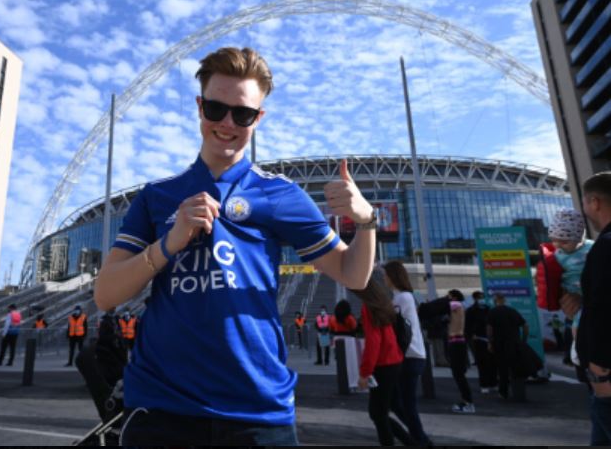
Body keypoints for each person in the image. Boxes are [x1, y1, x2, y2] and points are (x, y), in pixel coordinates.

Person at [94, 46, 377, 446]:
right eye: (216, 109)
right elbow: (106, 295)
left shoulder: (279, 193)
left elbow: (352, 273)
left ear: (258, 118)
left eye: (242, 114)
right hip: (161, 409)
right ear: (199, 107)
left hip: (257, 411)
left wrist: (366, 222)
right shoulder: (157, 196)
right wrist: (169, 244)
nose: (227, 123)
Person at [564, 172, 611, 445]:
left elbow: (604, 309)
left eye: (583, 201)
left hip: (605, 377)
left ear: (594, 202)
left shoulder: (604, 246)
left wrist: (600, 371)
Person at [352, 271, 410, 446]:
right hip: (394, 361)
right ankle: (412, 440)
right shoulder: (384, 304)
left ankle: (408, 441)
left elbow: (373, 342)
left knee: (377, 413)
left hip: (383, 365)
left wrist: (364, 373)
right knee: (382, 411)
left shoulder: (369, 307)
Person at [383, 260, 432, 445]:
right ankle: (418, 437)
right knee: (397, 402)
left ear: (392, 276)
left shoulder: (403, 298)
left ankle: (420, 440)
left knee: (407, 404)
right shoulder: (400, 297)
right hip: (410, 356)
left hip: (410, 356)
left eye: (385, 275)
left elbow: (400, 329)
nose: (384, 279)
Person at [549, 209, 593, 365]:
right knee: (576, 322)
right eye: (555, 240)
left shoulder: (592, 248)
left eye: (565, 241)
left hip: (588, 293)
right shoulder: (556, 255)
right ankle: (578, 345)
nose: (559, 245)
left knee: (579, 322)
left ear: (579, 238)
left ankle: (580, 346)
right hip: (572, 293)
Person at [487, 293, 528, 399]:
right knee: (516, 368)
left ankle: (503, 392)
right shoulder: (513, 311)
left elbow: (489, 329)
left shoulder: (493, 312)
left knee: (502, 369)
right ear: (504, 300)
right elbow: (525, 326)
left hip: (500, 344)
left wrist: (490, 342)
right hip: (514, 344)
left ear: (495, 300)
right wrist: (523, 340)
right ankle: (519, 392)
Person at [446, 289, 474, 414]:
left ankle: (468, 403)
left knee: (459, 374)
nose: (447, 298)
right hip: (456, 342)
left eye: (449, 296)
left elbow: (445, 305)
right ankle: (466, 401)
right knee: (458, 374)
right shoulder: (457, 307)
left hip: (457, 342)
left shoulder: (457, 305)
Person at [465, 290, 497, 394]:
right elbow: (467, 326)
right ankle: (484, 384)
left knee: (492, 362)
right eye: (480, 297)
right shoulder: (470, 311)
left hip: (489, 339)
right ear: (475, 298)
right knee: (481, 362)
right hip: (478, 339)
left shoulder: (488, 309)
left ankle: (493, 383)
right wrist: (470, 336)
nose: (482, 299)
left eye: (482, 297)